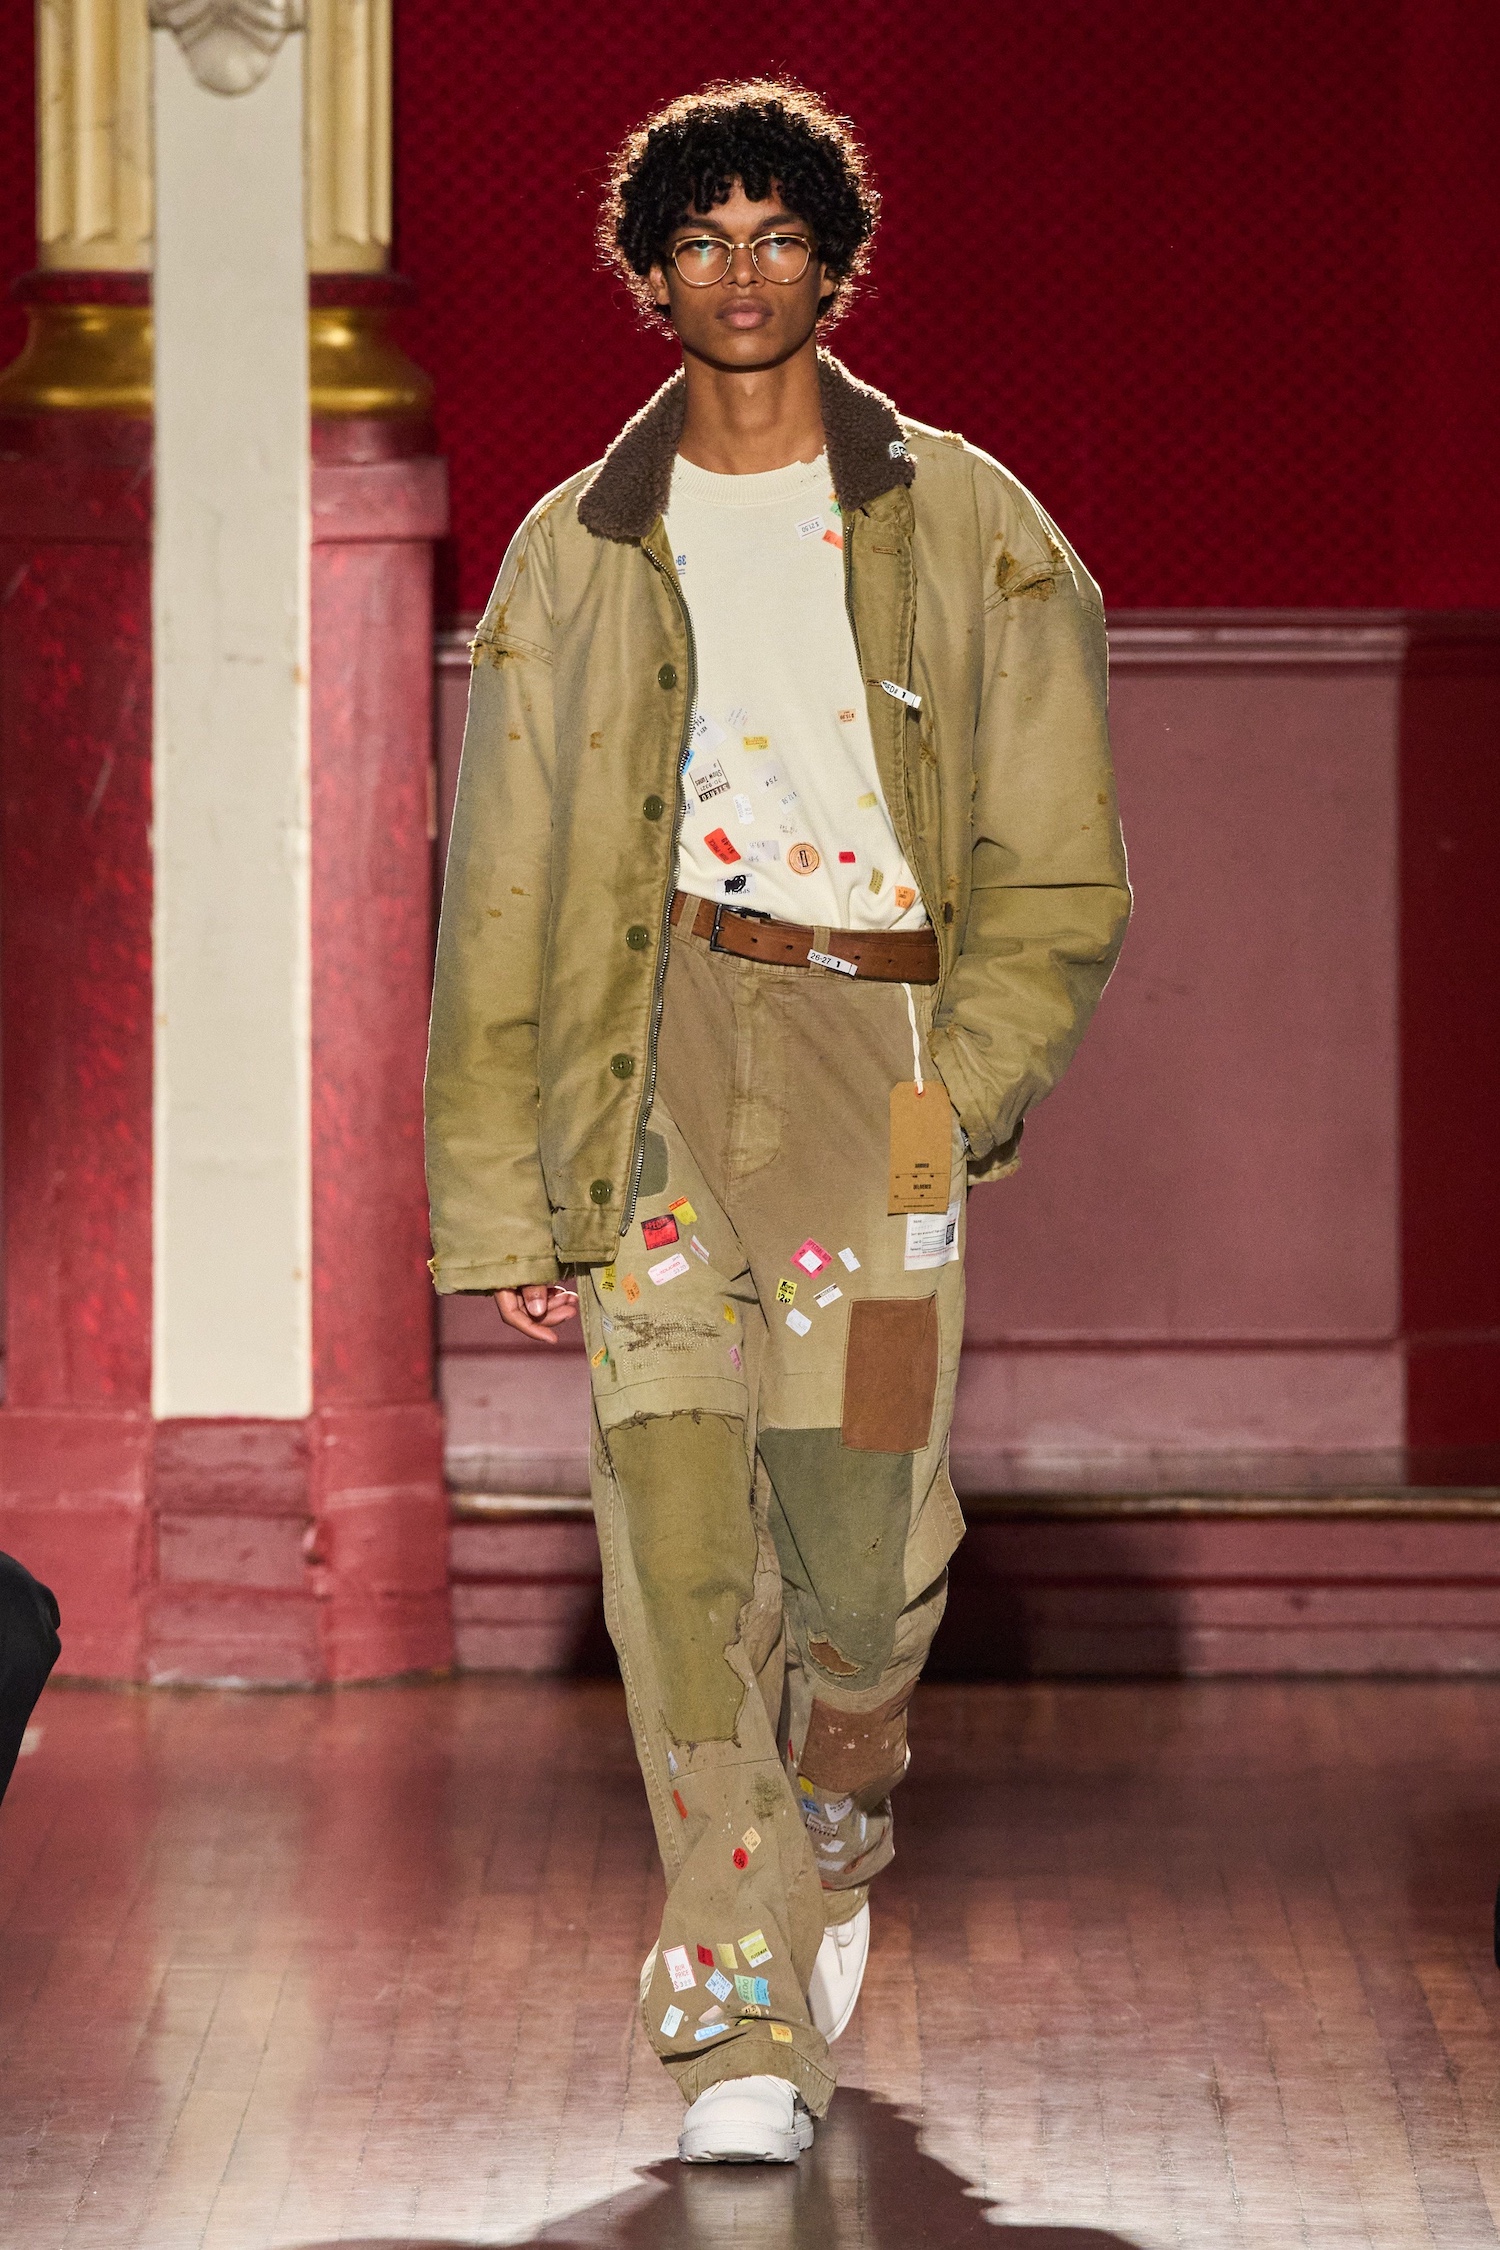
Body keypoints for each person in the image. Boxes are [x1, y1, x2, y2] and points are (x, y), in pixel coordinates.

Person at [425, 80, 1129, 2164]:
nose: (741, 274)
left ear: (834, 264)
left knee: (867, 1537)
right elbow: (503, 885)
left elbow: (1060, 866)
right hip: (648, 1065)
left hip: (880, 1078)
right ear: (649, 279)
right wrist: (510, 1199)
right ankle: (736, 2009)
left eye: (777, 238)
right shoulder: (578, 549)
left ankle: (841, 1791)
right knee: (673, 1532)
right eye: (700, 242)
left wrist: (956, 1096)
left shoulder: (972, 525)